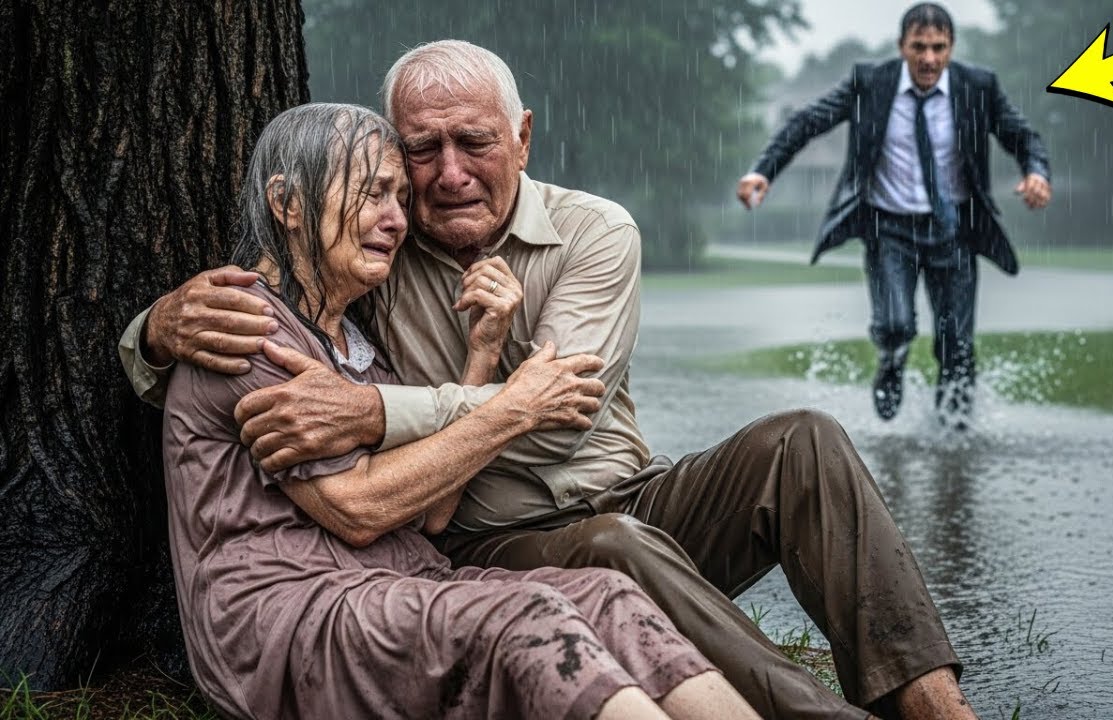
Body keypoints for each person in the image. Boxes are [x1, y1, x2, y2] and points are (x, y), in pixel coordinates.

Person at [121, 41, 977, 719]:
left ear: (522, 136)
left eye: (475, 142)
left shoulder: (595, 232)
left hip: (634, 495)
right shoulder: (377, 249)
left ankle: (936, 707)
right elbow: (276, 321)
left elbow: (560, 416)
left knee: (804, 440)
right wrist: (154, 332)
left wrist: (375, 410)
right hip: (488, 537)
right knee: (611, 551)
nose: (446, 173)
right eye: (420, 150)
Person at [155, 101, 762, 720]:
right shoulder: (240, 328)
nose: (396, 220)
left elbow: (434, 515)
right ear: (287, 204)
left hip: (405, 583)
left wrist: (483, 355)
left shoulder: (356, 343)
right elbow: (360, 509)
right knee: (531, 617)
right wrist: (513, 406)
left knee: (613, 598)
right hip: (292, 617)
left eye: (398, 196)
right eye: (372, 193)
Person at [736, 2, 1052, 427]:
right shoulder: (871, 83)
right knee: (895, 323)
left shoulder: (978, 86)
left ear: (951, 47)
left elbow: (1022, 135)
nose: (929, 59)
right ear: (902, 46)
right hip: (889, 229)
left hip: (954, 230)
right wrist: (763, 171)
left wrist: (1035, 172)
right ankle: (891, 357)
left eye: (938, 48)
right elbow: (809, 122)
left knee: (956, 345)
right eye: (919, 47)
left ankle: (953, 439)